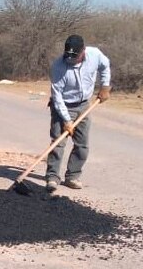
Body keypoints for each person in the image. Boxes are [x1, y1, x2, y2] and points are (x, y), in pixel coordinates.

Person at [45, 34, 112, 192]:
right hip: (62, 106)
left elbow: (105, 66)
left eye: (74, 56)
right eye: (68, 56)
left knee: (82, 145)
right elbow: (57, 96)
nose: (70, 59)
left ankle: (72, 177)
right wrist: (67, 120)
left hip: (84, 105)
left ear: (83, 51)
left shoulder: (95, 55)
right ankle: (52, 177)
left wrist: (105, 86)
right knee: (58, 143)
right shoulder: (58, 66)